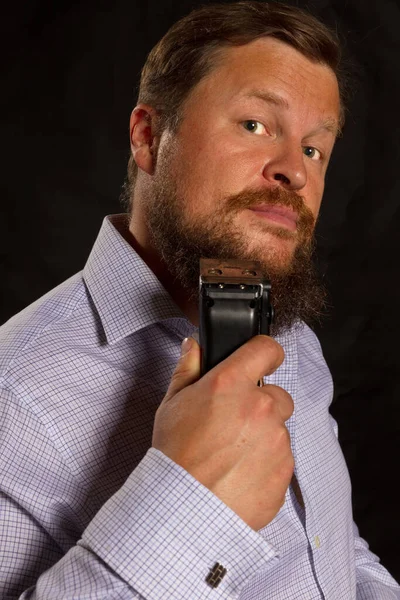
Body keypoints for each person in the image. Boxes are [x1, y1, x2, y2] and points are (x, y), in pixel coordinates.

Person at [0, 1, 399, 598]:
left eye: (316, 149)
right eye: (255, 125)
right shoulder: (13, 397)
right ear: (149, 137)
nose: (294, 169)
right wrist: (188, 501)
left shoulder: (294, 343)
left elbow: (332, 548)